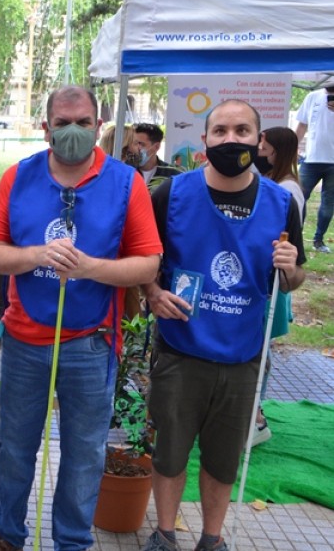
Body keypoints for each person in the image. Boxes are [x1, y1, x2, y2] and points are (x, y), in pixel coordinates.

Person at [0, 85, 162, 551]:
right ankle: (7, 534)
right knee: (14, 450)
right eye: (63, 123)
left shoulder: (125, 183)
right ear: (46, 128)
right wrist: (37, 254)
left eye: (83, 122)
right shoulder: (17, 178)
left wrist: (89, 268)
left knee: (83, 456)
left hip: (91, 342)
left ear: (99, 126)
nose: (74, 132)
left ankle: (73, 543)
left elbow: (147, 263)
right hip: (24, 339)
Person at [140, 100, 306, 551]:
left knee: (223, 459)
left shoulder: (280, 203)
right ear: (205, 141)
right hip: (180, 350)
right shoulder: (169, 195)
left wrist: (291, 268)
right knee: (170, 452)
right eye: (220, 131)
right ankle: (165, 532)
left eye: (242, 130)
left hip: (242, 356)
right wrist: (153, 295)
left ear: (259, 141)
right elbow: (145, 265)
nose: (231, 139)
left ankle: (212, 540)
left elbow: (293, 279)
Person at [252, 125, 305, 446]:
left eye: (263, 144)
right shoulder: (272, 182)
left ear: (278, 151)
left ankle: (256, 419)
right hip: (266, 281)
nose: (259, 149)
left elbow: (292, 256)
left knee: (260, 352)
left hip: (274, 285)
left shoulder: (288, 192)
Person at [294, 84, 334, 252]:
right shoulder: (313, 96)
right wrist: (292, 147)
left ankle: (318, 240)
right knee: (298, 199)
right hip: (311, 160)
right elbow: (302, 124)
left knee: (328, 205)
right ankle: (296, 237)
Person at [133, 123, 183, 188]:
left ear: (156, 146)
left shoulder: (173, 175)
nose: (137, 148)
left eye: (141, 144)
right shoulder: (125, 171)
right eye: (134, 144)